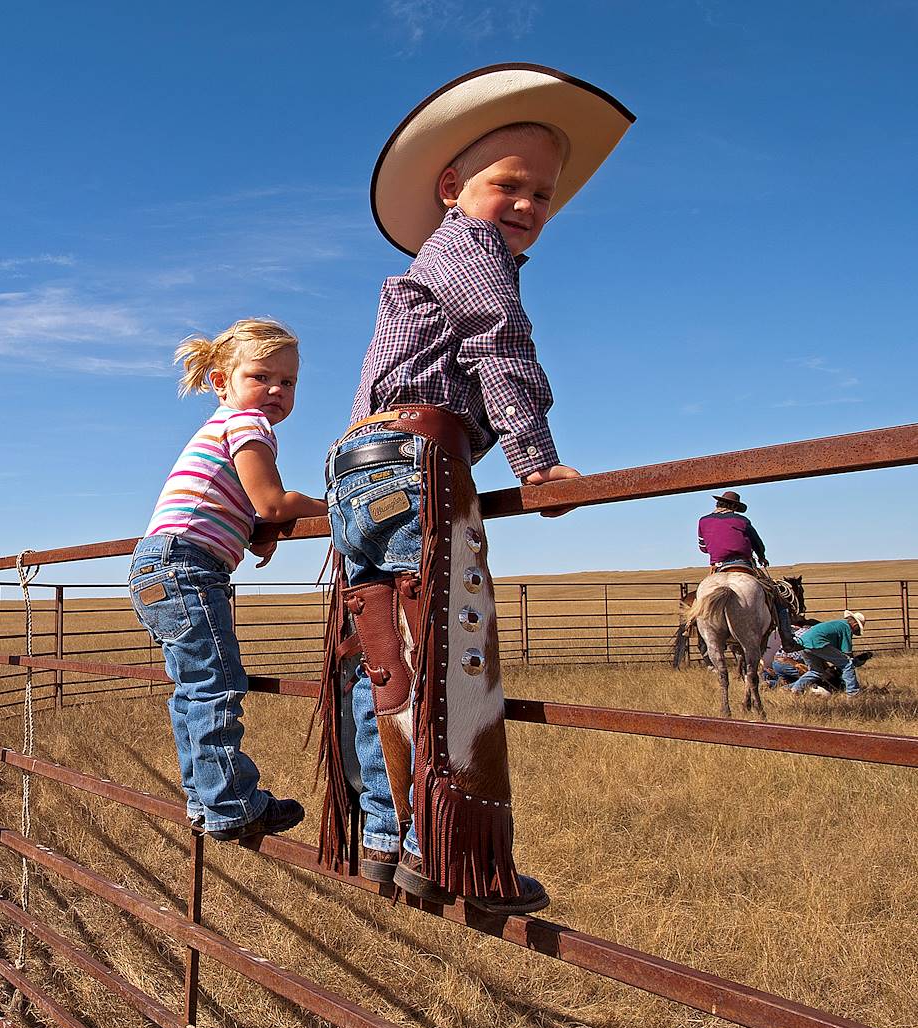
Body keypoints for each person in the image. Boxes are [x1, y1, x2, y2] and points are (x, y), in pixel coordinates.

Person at [317, 64, 634, 916]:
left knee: (380, 652)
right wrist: (535, 460)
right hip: (416, 459)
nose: (528, 204)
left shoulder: (425, 265)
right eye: (509, 184)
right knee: (449, 646)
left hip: (359, 463)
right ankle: (448, 849)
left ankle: (384, 836)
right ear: (452, 188)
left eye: (544, 194)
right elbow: (499, 344)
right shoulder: (471, 249)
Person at [129, 319, 327, 842]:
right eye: (262, 377)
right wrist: (334, 508)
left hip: (157, 564)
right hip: (188, 566)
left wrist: (257, 530)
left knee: (193, 687)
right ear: (223, 381)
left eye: (289, 383)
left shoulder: (221, 424)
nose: (277, 392)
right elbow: (271, 500)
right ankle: (233, 803)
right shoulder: (248, 425)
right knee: (216, 683)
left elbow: (244, 505)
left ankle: (204, 799)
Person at [697, 490, 798, 648]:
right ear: (733, 506)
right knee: (778, 597)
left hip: (718, 566)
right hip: (742, 563)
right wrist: (762, 556)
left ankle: (695, 626)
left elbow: (702, 547)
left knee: (701, 602)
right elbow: (757, 542)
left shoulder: (703, 521)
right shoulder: (742, 521)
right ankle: (786, 638)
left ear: (718, 503)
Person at [790, 611, 866, 697]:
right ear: (855, 625)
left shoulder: (839, 624)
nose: (857, 631)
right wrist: (856, 662)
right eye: (858, 628)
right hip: (817, 643)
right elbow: (847, 653)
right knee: (847, 664)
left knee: (816, 671)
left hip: (803, 644)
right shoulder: (846, 628)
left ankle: (795, 689)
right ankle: (853, 693)